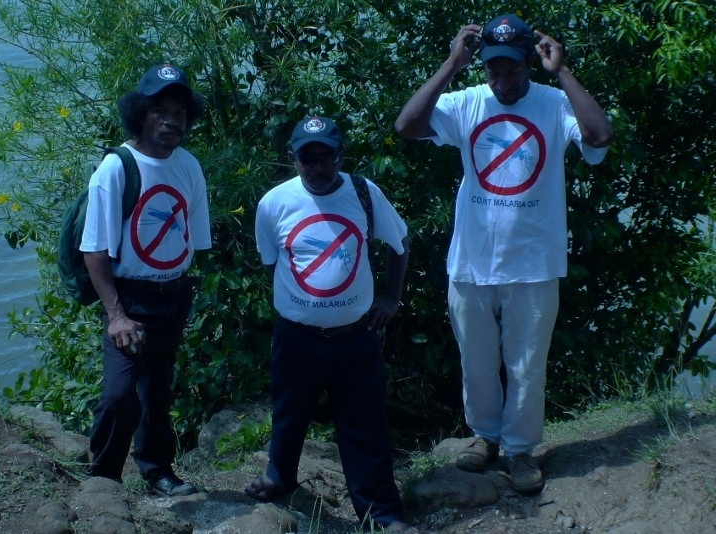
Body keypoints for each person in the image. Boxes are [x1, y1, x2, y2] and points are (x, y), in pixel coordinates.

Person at [395, 14, 613, 494]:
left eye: (512, 69)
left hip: (534, 263)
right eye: (494, 69)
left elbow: (598, 136)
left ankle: (520, 450)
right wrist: (452, 64)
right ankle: (485, 437)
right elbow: (407, 125)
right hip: (471, 262)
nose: (502, 80)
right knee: (476, 361)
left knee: (526, 366)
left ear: (529, 63)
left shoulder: (554, 104)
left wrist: (563, 71)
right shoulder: (467, 102)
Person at [247, 116, 416, 533]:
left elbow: (399, 242)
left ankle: (382, 515)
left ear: (341, 156)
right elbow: (273, 263)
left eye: (327, 158)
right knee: (289, 412)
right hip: (296, 336)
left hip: (355, 334)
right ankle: (279, 477)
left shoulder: (363, 193)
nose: (318, 168)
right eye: (308, 159)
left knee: (364, 424)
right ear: (293, 158)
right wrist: (303, 303)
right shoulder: (274, 203)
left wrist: (391, 298)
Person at [81, 63, 211, 497]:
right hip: (130, 300)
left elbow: (192, 238)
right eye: (160, 111)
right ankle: (103, 480)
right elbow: (95, 251)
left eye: (179, 112)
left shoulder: (189, 166)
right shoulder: (116, 168)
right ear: (140, 114)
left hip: (172, 295)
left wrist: (177, 287)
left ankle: (157, 471)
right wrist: (116, 315)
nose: (171, 121)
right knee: (120, 394)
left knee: (158, 390)